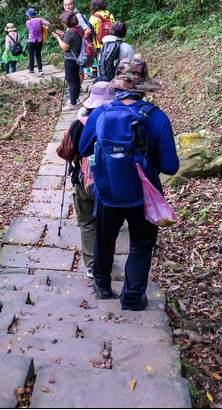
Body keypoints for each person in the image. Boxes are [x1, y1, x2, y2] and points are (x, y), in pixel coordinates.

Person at [79, 58, 179, 311]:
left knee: (104, 238)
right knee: (141, 245)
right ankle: (133, 297)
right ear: (143, 87)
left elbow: (83, 148)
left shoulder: (100, 113)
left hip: (107, 191)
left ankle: (102, 286)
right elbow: (171, 167)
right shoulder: (156, 117)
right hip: (144, 194)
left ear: (118, 85)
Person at [56, 81, 116, 279]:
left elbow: (64, 152)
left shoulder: (80, 125)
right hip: (115, 182)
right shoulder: (120, 121)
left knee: (88, 222)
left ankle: (92, 264)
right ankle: (107, 259)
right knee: (108, 222)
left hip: (85, 182)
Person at [52, 11, 84, 111]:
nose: (63, 23)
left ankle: (73, 103)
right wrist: (64, 35)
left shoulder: (70, 31)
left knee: (71, 80)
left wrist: (58, 38)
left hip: (70, 59)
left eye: (64, 22)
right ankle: (77, 99)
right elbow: (73, 40)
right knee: (76, 79)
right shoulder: (78, 28)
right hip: (77, 58)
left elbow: (65, 47)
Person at [64, 0, 93, 78]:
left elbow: (88, 30)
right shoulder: (70, 16)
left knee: (79, 70)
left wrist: (81, 41)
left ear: (73, 5)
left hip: (78, 49)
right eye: (65, 5)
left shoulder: (77, 16)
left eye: (69, 4)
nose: (67, 7)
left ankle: (78, 88)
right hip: (74, 49)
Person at [25, 8, 49, 75]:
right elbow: (48, 23)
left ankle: (31, 70)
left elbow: (29, 28)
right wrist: (42, 24)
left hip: (31, 41)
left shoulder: (28, 22)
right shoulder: (40, 20)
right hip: (39, 40)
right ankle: (40, 69)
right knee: (38, 55)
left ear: (29, 15)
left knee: (31, 55)